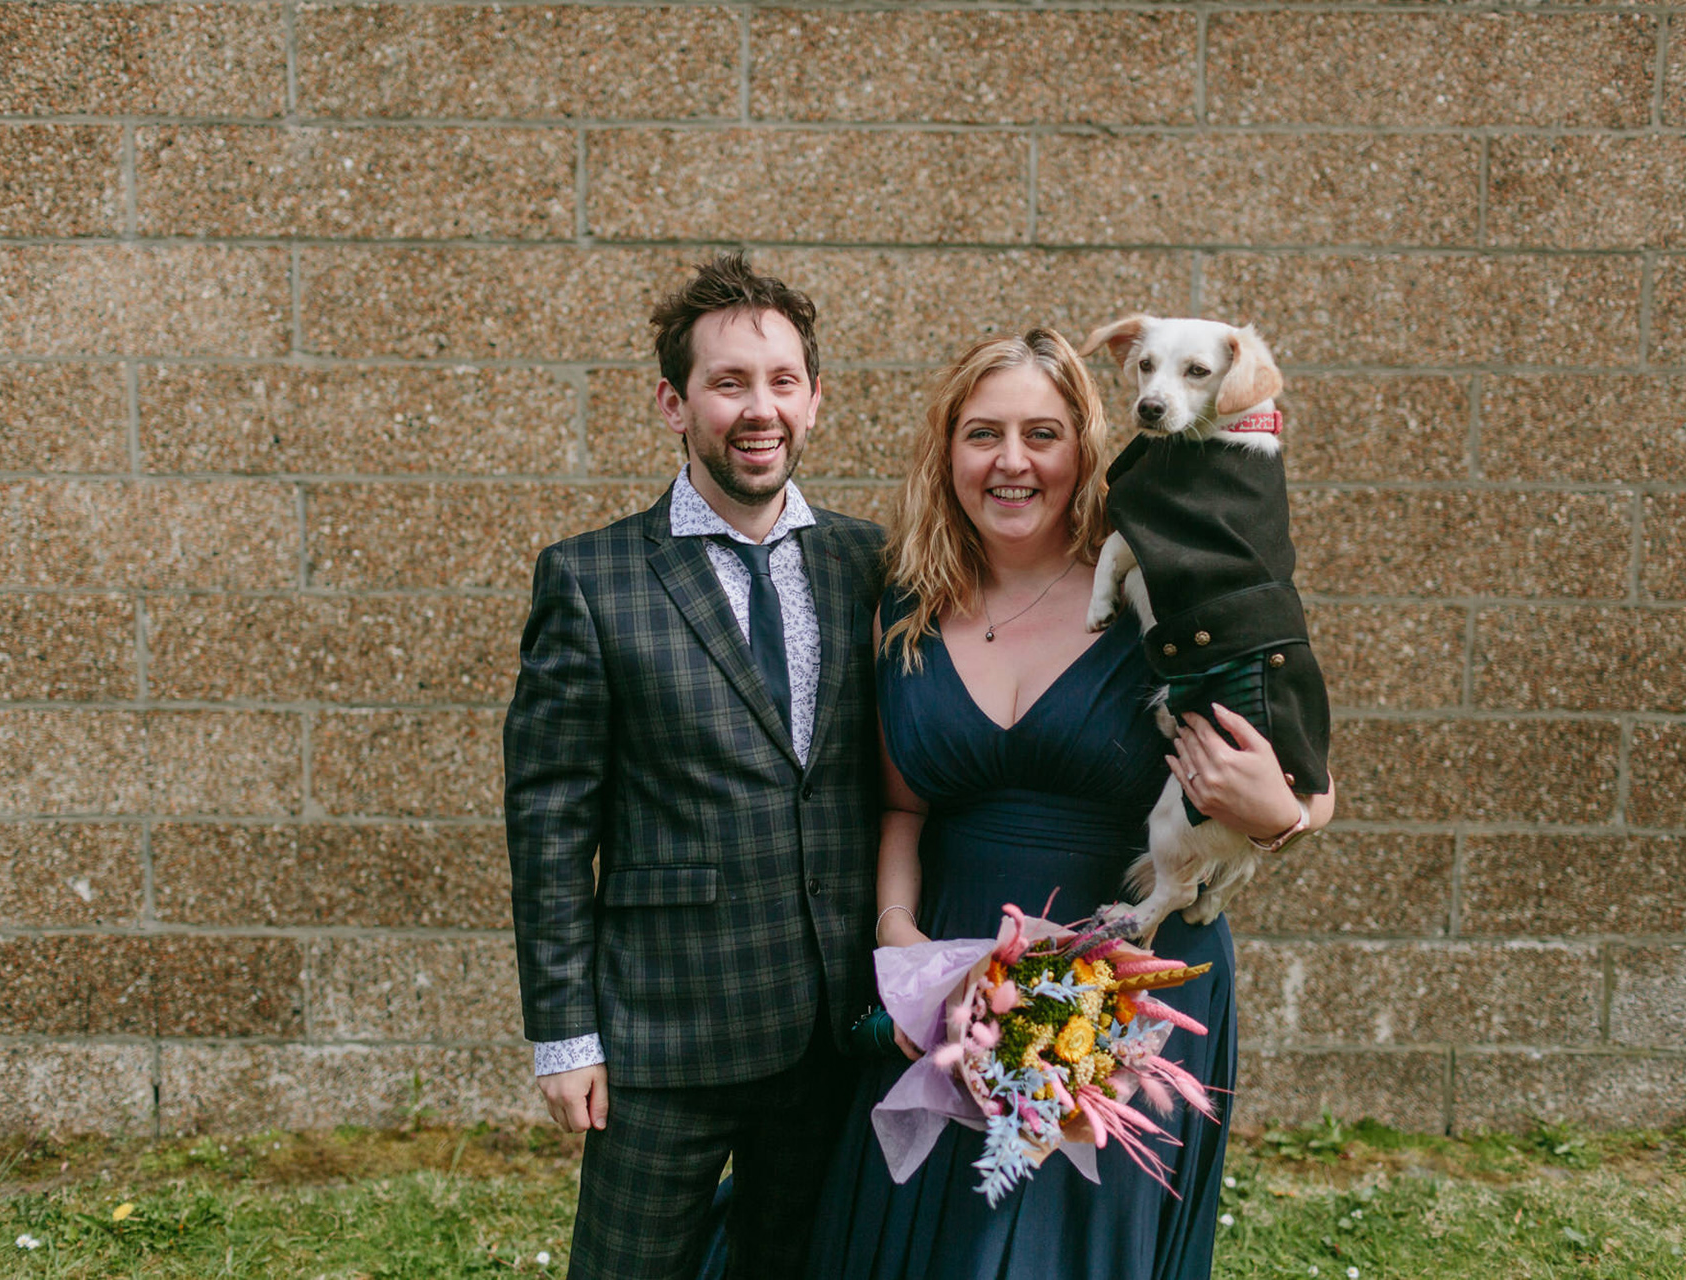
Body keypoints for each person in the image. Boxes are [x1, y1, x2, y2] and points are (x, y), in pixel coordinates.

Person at [805, 330, 1335, 1280]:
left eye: (1042, 435)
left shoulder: (1159, 591)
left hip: (1129, 991)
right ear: (947, 453)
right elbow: (902, 810)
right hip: (953, 986)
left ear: (1085, 452)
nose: (1012, 461)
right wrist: (901, 947)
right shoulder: (905, 607)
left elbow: (1308, 783)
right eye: (983, 434)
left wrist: (1277, 814)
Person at [503, 253, 886, 1280]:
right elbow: (549, 826)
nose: (759, 409)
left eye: (782, 381)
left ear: (815, 398)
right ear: (675, 404)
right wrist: (565, 1035)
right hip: (663, 1035)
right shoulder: (591, 579)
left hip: (834, 1030)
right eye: (728, 383)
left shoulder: (873, 565)